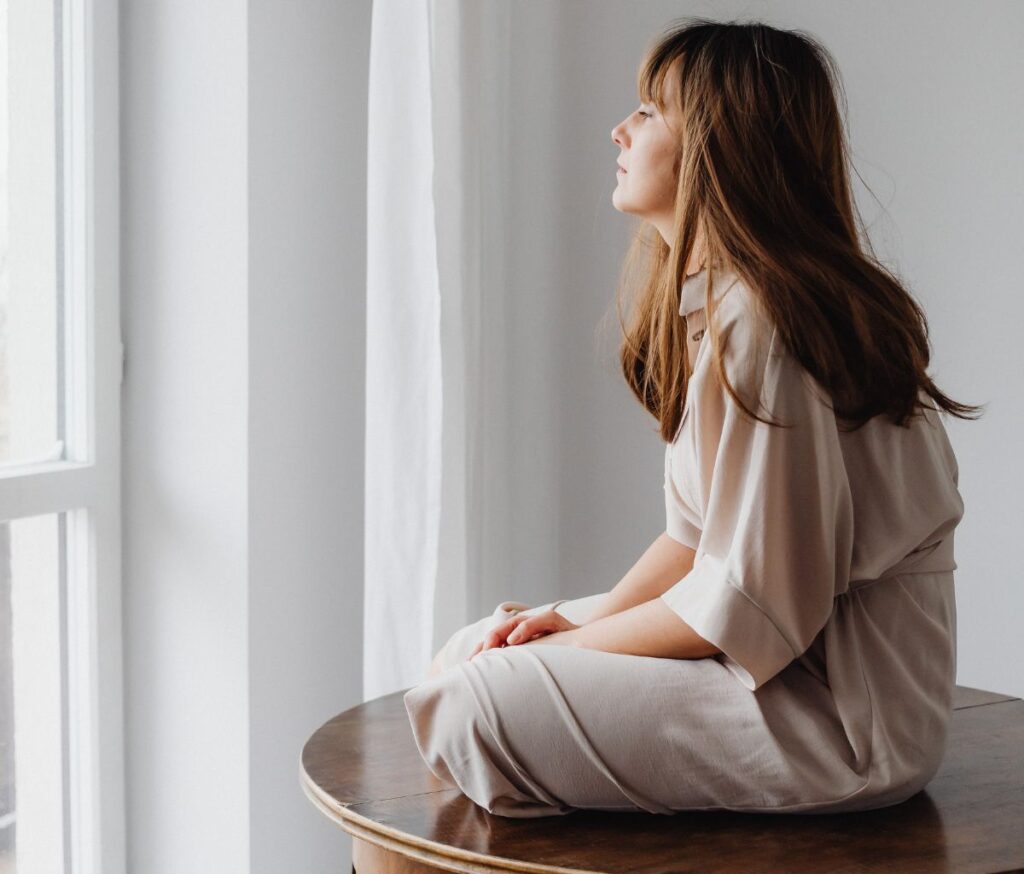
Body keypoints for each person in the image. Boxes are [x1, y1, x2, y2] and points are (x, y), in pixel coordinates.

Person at [402, 17, 983, 818]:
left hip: (843, 725)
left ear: (717, 144)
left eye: (648, 111)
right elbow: (693, 543)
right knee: (468, 651)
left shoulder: (765, 323)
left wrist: (569, 646)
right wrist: (567, 623)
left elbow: (747, 602)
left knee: (472, 701)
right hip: (780, 670)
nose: (619, 129)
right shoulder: (729, 306)